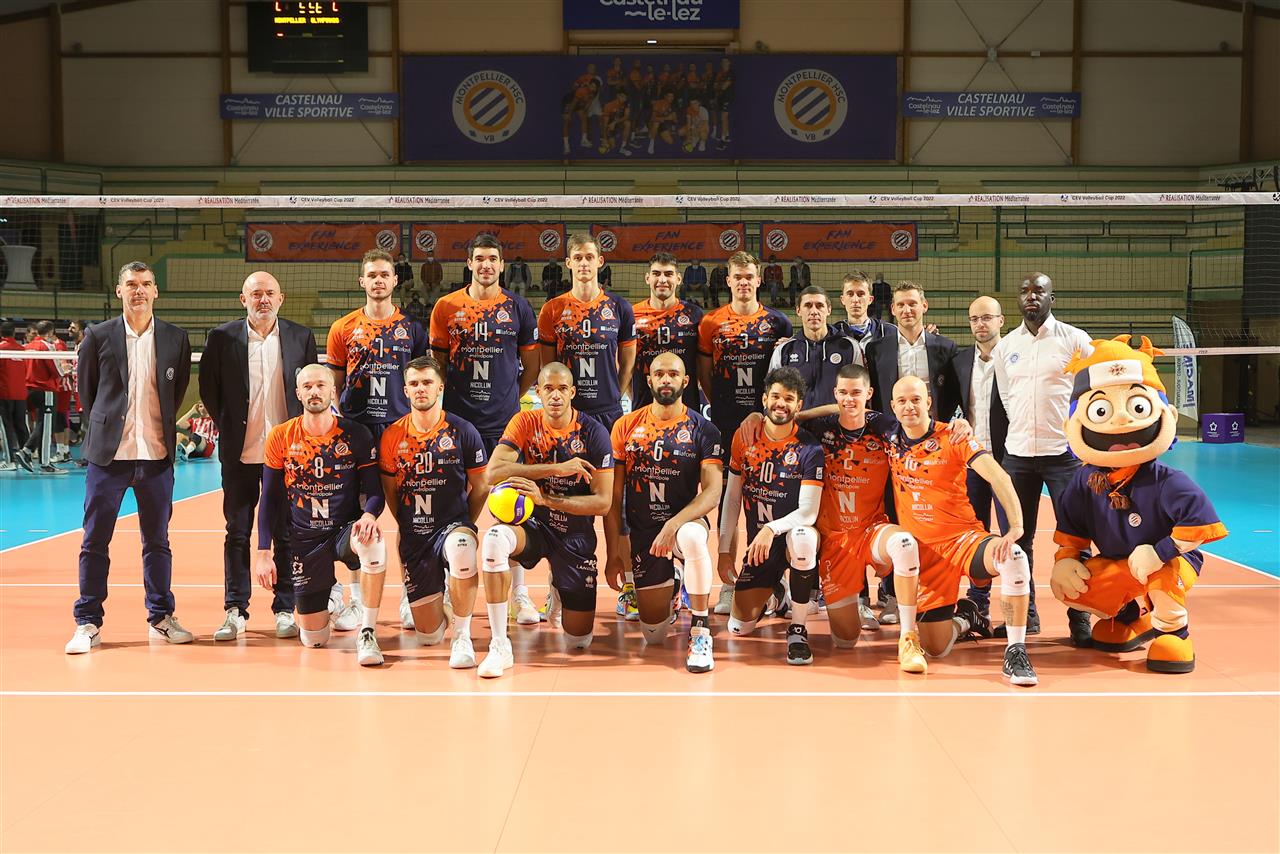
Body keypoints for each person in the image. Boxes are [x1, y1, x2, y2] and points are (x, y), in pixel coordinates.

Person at [64, 261, 194, 654]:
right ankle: (88, 622)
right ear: (119, 290)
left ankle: (161, 617)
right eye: (131, 284)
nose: (139, 290)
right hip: (109, 457)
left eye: (146, 284)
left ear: (156, 291)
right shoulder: (98, 335)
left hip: (156, 456)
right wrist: (107, 428)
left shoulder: (175, 338)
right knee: (94, 540)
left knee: (158, 541)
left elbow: (177, 389)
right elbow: (88, 393)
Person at [885, 376, 1037, 685]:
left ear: (929, 402)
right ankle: (967, 617)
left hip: (963, 540)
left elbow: (998, 476)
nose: (909, 407)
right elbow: (845, 408)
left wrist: (1016, 526)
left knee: (1014, 557)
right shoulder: (888, 436)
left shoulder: (954, 437)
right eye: (902, 401)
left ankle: (1016, 651)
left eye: (916, 399)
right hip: (925, 553)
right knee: (936, 648)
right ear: (892, 406)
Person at [429, 234, 541, 625]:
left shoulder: (518, 307)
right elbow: (439, 365)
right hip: (459, 424)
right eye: (479, 258)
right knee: (454, 506)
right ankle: (448, 584)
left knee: (512, 506)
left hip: (504, 425)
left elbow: (531, 366)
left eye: (492, 258)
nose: (486, 265)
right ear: (469, 263)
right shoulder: (446, 307)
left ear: (502, 264)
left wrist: (508, 397)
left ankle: (518, 594)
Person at [199, 271, 317, 641]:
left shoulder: (300, 337)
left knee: (286, 532)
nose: (263, 299)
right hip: (241, 452)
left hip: (287, 456)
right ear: (243, 299)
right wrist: (231, 425)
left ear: (281, 299)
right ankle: (235, 610)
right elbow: (209, 389)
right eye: (256, 294)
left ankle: (284, 609)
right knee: (237, 531)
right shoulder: (221, 338)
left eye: (269, 293)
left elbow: (308, 390)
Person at [479, 363, 615, 677]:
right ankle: (499, 645)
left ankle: (558, 587)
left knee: (579, 640)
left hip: (573, 532)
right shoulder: (524, 421)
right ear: (538, 392)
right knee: (495, 539)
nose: (555, 396)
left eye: (562, 389)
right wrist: (555, 469)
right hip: (533, 525)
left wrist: (547, 499)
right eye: (548, 389)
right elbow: (492, 473)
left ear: (573, 393)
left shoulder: (593, 433)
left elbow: (603, 502)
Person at [326, 248, 431, 631]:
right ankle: (356, 600)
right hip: (357, 430)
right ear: (362, 281)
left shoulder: (413, 329)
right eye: (372, 275)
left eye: (384, 274)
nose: (378, 281)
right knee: (357, 515)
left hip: (401, 431)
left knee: (411, 514)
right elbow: (335, 383)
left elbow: (423, 380)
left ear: (395, 280)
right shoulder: (343, 328)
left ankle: (411, 595)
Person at [255, 365, 387, 665]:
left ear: (332, 391)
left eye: (321, 385)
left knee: (373, 541)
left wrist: (369, 516)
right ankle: (330, 597)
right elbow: (270, 498)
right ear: (298, 393)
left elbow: (375, 492)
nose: (314, 392)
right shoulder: (281, 436)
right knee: (313, 640)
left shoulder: (356, 434)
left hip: (344, 532)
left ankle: (367, 631)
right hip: (305, 540)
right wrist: (263, 551)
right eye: (308, 387)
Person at [992, 271, 1096, 646]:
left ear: (1053, 297)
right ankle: (1027, 617)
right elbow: (1007, 398)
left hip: (1064, 457)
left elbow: (1091, 393)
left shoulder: (1076, 340)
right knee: (1018, 538)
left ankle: (1079, 618)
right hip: (1018, 456)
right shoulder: (1006, 346)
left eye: (1039, 291)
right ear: (1018, 299)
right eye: (1025, 291)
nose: (1031, 296)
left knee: (1076, 538)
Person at [605, 353, 722, 672]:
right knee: (653, 636)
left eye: (673, 374)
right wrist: (613, 555)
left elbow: (712, 492)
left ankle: (700, 631)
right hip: (644, 533)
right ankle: (674, 581)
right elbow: (614, 497)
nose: (666, 379)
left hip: (683, 524)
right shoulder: (625, 426)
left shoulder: (703, 429)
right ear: (649, 380)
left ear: (686, 381)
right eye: (659, 374)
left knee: (693, 538)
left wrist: (674, 524)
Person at [379, 356, 489, 670]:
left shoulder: (462, 430)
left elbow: (481, 485)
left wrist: (465, 522)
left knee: (462, 545)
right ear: (405, 390)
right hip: (417, 535)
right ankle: (442, 599)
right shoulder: (392, 435)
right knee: (428, 636)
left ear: (440, 387)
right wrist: (410, 524)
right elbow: (391, 492)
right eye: (414, 383)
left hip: (452, 525)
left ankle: (463, 636)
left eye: (427, 382)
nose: (421, 389)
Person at [697, 251, 792, 615]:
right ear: (728, 281)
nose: (743, 282)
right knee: (729, 504)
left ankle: (779, 582)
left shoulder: (778, 323)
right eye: (737, 276)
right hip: (726, 424)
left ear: (758, 280)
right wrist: (724, 408)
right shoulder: (711, 322)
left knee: (774, 500)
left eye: (749, 276)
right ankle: (727, 584)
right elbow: (705, 374)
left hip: (771, 426)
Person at [717, 367, 824, 664]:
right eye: (775, 396)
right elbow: (732, 498)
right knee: (738, 627)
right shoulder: (745, 438)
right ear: (764, 399)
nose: (781, 404)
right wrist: (724, 551)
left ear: (799, 405)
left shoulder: (809, 447)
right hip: (761, 549)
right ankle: (776, 594)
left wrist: (771, 528)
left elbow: (808, 512)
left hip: (789, 537)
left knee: (802, 537)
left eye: (789, 399)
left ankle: (798, 630)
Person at [537, 233, 636, 431]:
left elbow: (628, 364)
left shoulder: (620, 307)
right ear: (568, 263)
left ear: (600, 261)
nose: (583, 263)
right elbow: (548, 366)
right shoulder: (552, 309)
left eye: (589, 257)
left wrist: (615, 395)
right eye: (578, 257)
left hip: (608, 411)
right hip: (567, 411)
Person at [954, 296, 1010, 620]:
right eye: (974, 319)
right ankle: (978, 602)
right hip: (973, 463)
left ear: (1001, 320)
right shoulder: (961, 360)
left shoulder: (1014, 358)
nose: (980, 324)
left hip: (1008, 462)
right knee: (976, 534)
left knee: (1013, 534)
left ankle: (1024, 611)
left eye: (987, 317)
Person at [865, 281, 959, 422]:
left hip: (934, 428)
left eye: (912, 304)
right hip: (892, 429)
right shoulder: (876, 350)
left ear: (924, 306)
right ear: (893, 309)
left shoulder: (946, 348)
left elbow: (953, 393)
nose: (907, 310)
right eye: (900, 305)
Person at [768, 285, 864, 415]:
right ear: (798, 311)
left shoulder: (849, 347)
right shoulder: (784, 350)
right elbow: (772, 395)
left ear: (829, 310)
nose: (814, 311)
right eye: (808, 306)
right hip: (797, 425)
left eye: (819, 306)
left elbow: (859, 393)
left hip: (838, 425)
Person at [631, 252, 704, 412]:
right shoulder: (632, 314)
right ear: (647, 278)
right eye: (656, 274)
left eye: (668, 274)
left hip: (686, 407)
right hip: (644, 407)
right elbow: (624, 364)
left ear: (678, 279)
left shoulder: (694, 314)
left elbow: (702, 364)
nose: (662, 280)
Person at [14, 320, 68, 475]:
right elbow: (56, 370)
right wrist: (65, 370)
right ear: (50, 332)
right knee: (46, 426)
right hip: (45, 390)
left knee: (41, 424)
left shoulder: (27, 347)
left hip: (29, 390)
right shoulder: (47, 346)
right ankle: (44, 463)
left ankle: (27, 451)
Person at [832, 270, 896, 355]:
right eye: (850, 294)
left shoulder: (890, 332)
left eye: (860, 294)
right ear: (842, 299)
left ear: (870, 299)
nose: (855, 300)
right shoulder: (833, 335)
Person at [0, 321, 29, 471]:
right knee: (21, 426)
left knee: (6, 427)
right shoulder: (21, 349)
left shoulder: (1, 348)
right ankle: (27, 458)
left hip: (4, 393)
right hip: (21, 394)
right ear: (14, 333)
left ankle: (9, 461)